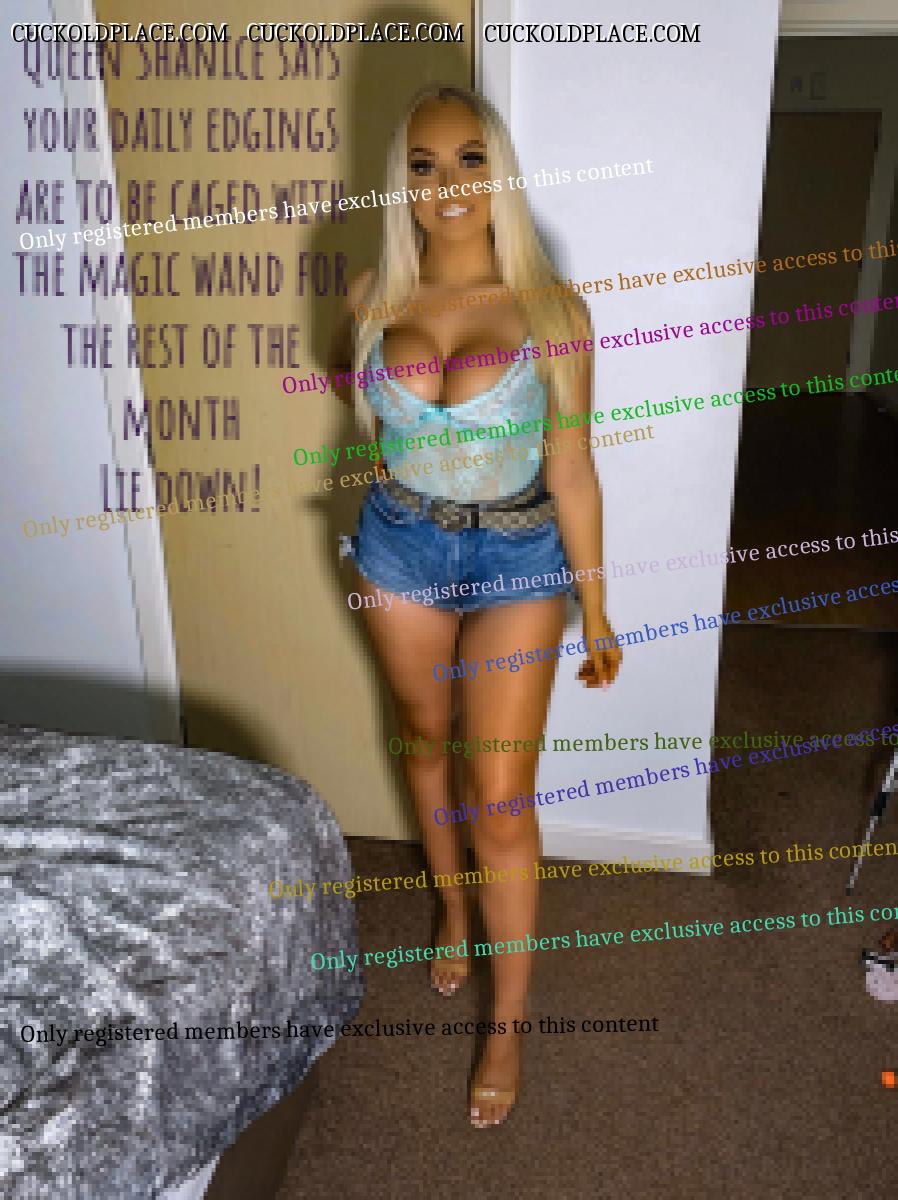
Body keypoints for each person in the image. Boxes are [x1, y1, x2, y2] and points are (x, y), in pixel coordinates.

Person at [329, 84, 622, 1129]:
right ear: (401, 181)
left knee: (500, 796)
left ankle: (507, 1024)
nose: (446, 184)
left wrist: (596, 607)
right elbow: (377, 428)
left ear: (497, 171)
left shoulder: (551, 309)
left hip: (519, 560)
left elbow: (573, 468)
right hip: (400, 547)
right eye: (423, 164)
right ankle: (452, 911)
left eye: (468, 159)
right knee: (422, 738)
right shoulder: (372, 294)